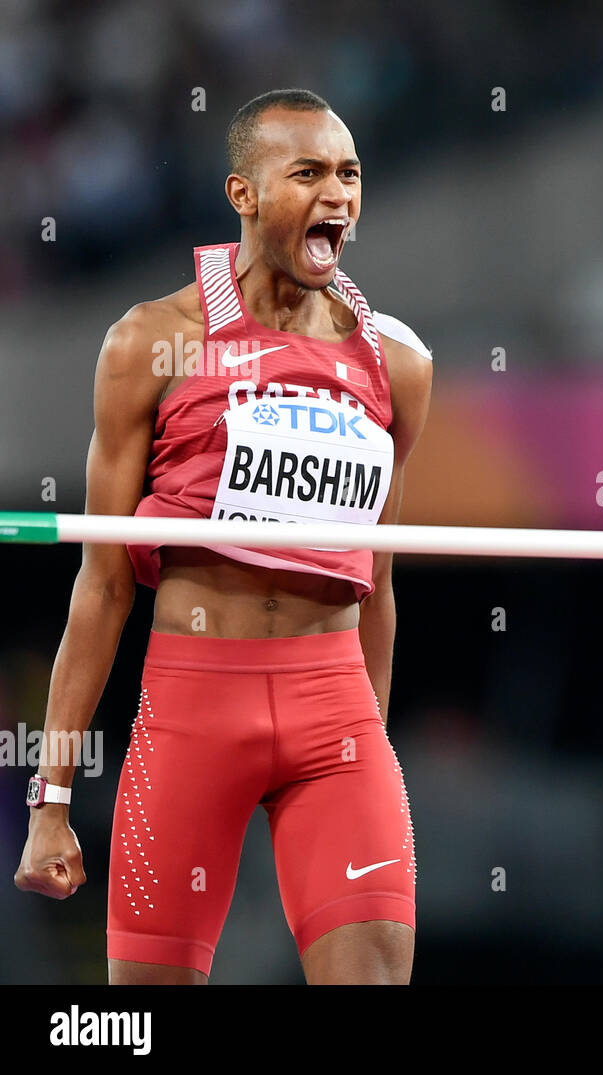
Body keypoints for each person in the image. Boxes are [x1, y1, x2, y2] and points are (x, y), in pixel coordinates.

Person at [12, 89, 434, 985]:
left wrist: (374, 750)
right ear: (242, 193)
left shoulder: (398, 363)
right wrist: (51, 799)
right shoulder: (151, 342)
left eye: (351, 175)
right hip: (193, 713)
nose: (338, 195)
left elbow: (380, 579)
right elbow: (102, 583)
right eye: (309, 173)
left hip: (337, 720)